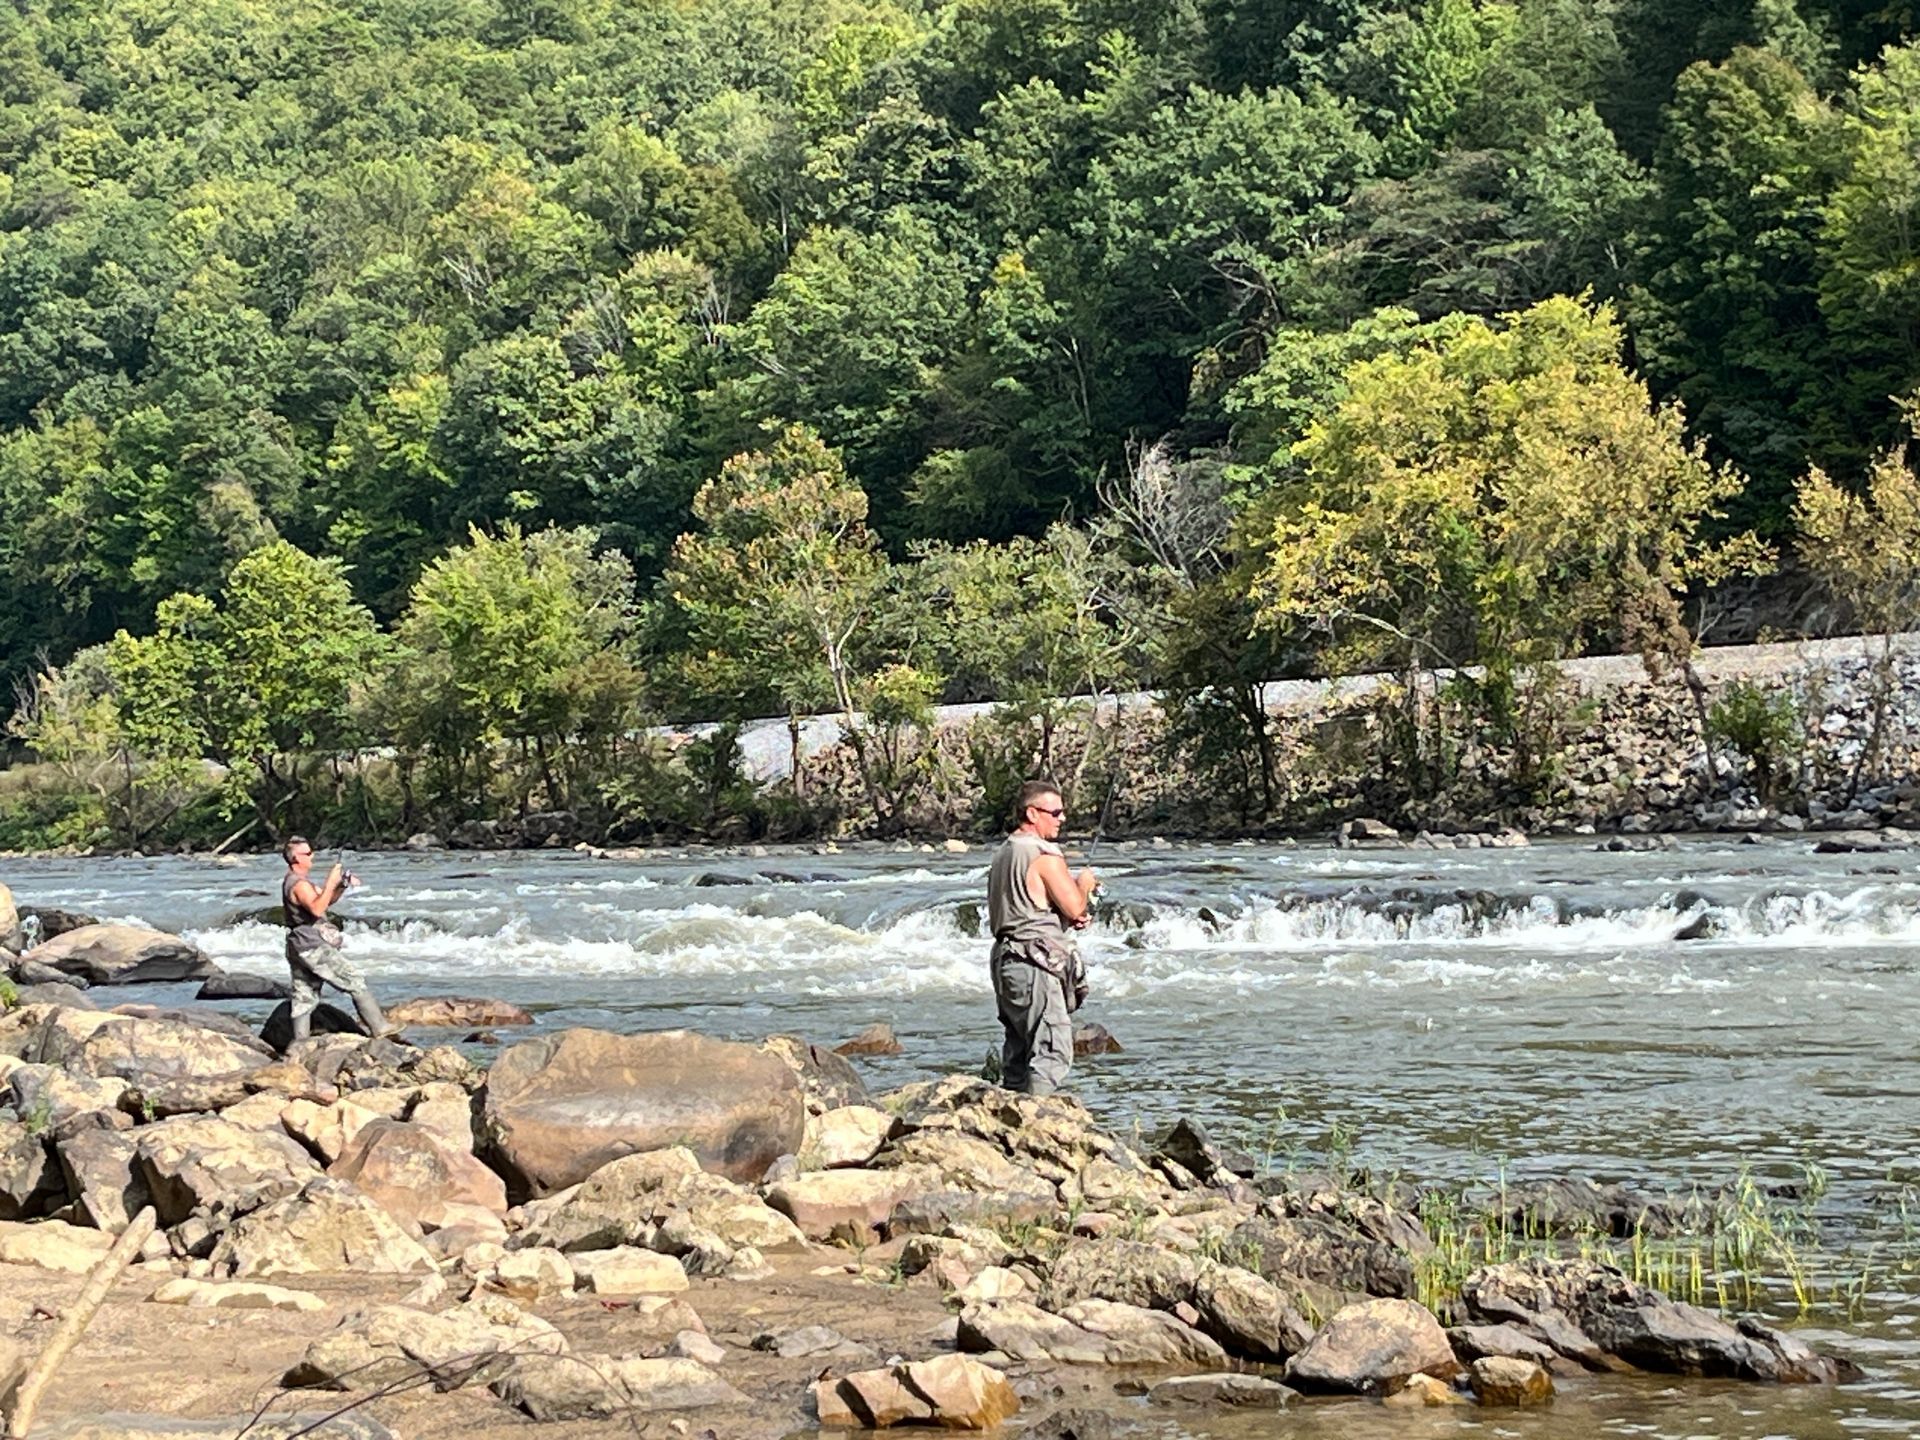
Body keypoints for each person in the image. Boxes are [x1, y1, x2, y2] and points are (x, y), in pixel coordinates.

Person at [987, 779, 1098, 1095]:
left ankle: (1010, 1123)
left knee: (1019, 1055)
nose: (1062, 819)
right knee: (1053, 1050)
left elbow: (1026, 905)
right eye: (1056, 812)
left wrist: (1061, 917)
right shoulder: (1044, 855)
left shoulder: (1004, 853)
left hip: (1005, 963)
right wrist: (1084, 884)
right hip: (1034, 964)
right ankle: (1036, 1126)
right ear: (1033, 814)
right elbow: (1076, 906)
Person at [281, 836, 391, 1043]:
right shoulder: (298, 885)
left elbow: (326, 900)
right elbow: (317, 908)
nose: (312, 856)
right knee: (353, 980)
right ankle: (380, 1027)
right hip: (311, 945)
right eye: (307, 853)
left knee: (304, 995)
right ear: (296, 858)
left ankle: (300, 1044)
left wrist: (339, 886)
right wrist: (330, 881)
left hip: (299, 945)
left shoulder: (298, 882)